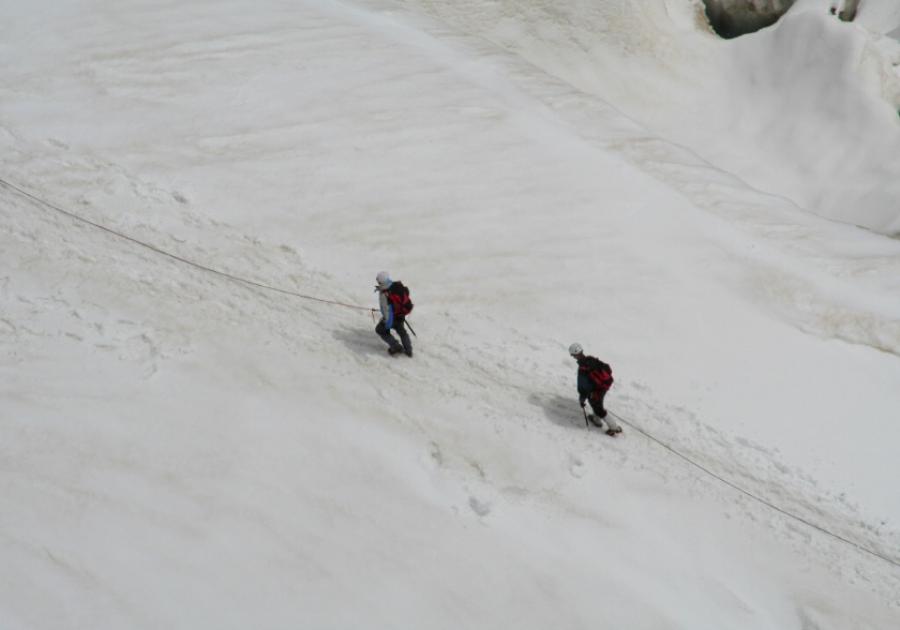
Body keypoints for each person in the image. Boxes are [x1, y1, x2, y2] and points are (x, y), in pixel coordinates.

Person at [569, 342, 622, 436]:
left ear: (575, 355)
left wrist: (582, 398)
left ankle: (614, 427)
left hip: (596, 390)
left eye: (573, 355)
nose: (573, 357)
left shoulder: (582, 368)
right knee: (595, 403)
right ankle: (596, 420)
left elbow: (583, 387)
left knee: (598, 408)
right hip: (604, 385)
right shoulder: (591, 359)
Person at [374, 271, 413, 357]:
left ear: (380, 282)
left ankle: (396, 346)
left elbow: (387, 310)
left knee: (380, 330)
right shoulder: (396, 286)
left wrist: (387, 322)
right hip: (401, 315)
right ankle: (409, 350)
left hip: (392, 317)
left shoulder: (384, 293)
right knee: (402, 332)